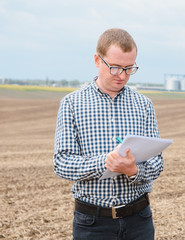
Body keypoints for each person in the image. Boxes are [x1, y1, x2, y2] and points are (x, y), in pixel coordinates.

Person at [53, 28, 163, 240]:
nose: (122, 75)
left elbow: (157, 163)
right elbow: (62, 163)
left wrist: (133, 170)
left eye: (129, 68)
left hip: (139, 220)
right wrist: (105, 163)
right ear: (97, 59)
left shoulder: (144, 104)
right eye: (114, 67)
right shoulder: (71, 104)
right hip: (92, 224)